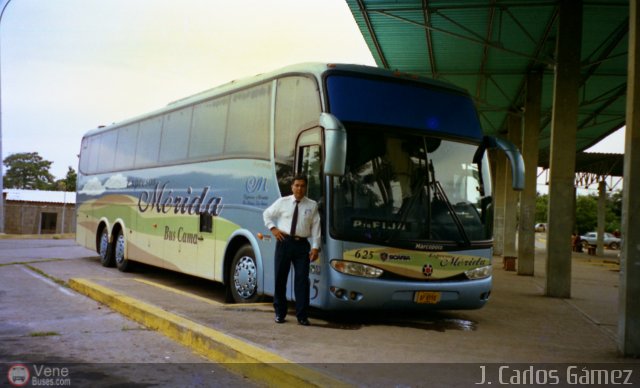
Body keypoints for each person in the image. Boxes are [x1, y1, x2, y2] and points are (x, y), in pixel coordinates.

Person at [263, 175, 321, 326]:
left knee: (302, 280)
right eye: (296, 185)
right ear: (292, 187)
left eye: (302, 186)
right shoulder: (283, 202)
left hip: (302, 246)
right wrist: (273, 229)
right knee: (280, 279)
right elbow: (267, 214)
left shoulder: (312, 205)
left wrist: (315, 247)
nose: (299, 188)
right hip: (284, 243)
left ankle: (302, 316)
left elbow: (316, 228)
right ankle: (279, 313)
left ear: (306, 188)